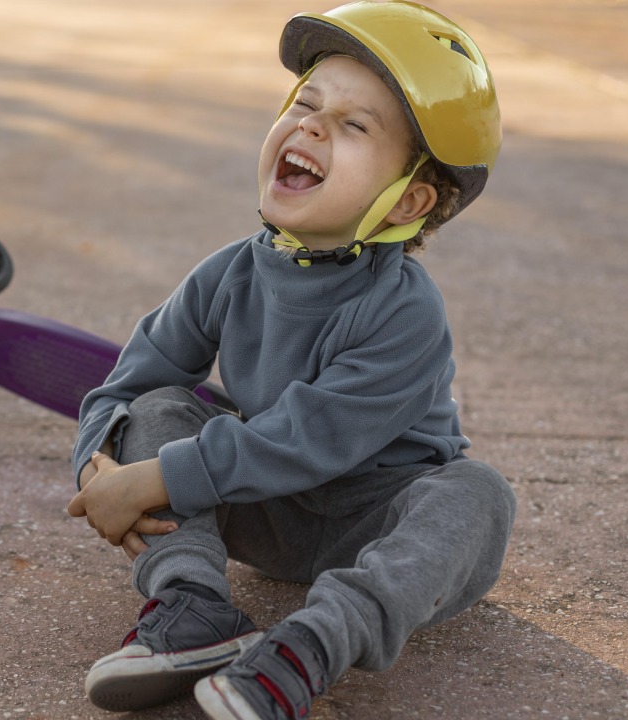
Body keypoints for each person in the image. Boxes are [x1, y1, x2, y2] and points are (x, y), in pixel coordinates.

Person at [65, 1, 518, 718]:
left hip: (378, 518)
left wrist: (155, 478)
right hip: (265, 511)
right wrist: (100, 462)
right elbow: (132, 381)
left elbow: (308, 438)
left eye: (353, 124)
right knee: (157, 410)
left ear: (409, 202)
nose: (309, 125)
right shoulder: (230, 271)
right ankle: (193, 610)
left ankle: (307, 650)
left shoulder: (405, 311)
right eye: (306, 103)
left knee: (477, 495)